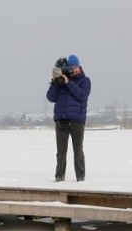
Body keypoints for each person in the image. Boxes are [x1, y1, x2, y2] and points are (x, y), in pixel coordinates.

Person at [46, 54, 91, 182]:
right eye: (71, 68)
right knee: (61, 152)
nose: (73, 70)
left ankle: (80, 178)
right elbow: (50, 98)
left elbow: (83, 95)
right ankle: (59, 177)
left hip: (77, 121)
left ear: (80, 67)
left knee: (78, 151)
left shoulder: (85, 80)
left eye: (76, 67)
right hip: (61, 121)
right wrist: (55, 82)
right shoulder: (61, 82)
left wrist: (68, 83)